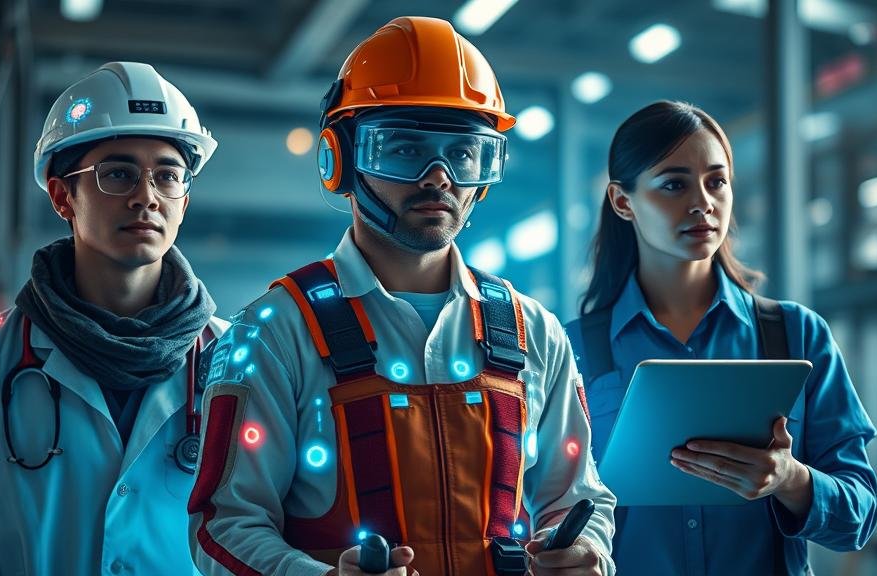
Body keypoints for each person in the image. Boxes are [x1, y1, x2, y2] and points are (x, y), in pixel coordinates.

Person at [187, 16, 615, 576]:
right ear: (337, 158)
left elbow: (581, 497)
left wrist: (586, 552)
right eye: (404, 148)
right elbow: (222, 527)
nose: (439, 177)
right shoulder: (272, 331)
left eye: (463, 154)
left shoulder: (535, 331)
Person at [0, 62, 226, 575]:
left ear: (185, 199)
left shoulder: (239, 363)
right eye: (118, 173)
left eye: (167, 175)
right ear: (62, 196)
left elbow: (280, 536)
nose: (146, 196)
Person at [564, 100, 877, 575]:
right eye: (674, 184)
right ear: (623, 202)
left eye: (717, 182)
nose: (703, 203)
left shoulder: (797, 336)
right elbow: (536, 504)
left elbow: (859, 518)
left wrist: (789, 479)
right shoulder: (571, 350)